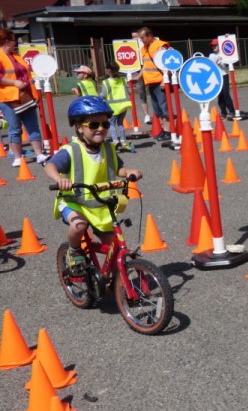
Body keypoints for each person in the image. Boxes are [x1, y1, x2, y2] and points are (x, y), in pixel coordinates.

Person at [44, 96, 142, 272]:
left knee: (113, 247)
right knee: (79, 225)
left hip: (101, 204)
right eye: (94, 125)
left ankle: (115, 279)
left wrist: (128, 172)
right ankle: (73, 251)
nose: (101, 129)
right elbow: (50, 166)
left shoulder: (108, 148)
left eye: (105, 124)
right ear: (79, 127)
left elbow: (118, 168)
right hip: (74, 202)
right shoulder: (71, 150)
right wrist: (60, 179)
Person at [0, 28, 47, 167]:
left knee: (33, 126)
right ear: (6, 41)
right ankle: (17, 157)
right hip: (8, 99)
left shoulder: (17, 56)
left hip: (26, 96)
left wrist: (35, 94)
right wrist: (14, 82)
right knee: (15, 128)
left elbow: (28, 76)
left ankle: (39, 154)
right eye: (13, 40)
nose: (16, 42)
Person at [136, 26, 170, 140]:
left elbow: (167, 63)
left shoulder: (160, 45)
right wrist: (138, 77)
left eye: (142, 38)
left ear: (150, 36)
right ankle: (164, 130)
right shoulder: (144, 48)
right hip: (150, 82)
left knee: (164, 107)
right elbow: (145, 66)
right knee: (157, 108)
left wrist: (164, 80)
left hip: (159, 81)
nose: (141, 40)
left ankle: (168, 132)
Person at [99, 62, 133, 152]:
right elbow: (130, 91)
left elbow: (103, 95)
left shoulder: (106, 82)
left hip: (113, 106)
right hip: (124, 105)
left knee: (111, 124)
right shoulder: (123, 80)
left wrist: (98, 97)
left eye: (106, 69)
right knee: (120, 123)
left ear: (109, 70)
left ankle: (115, 141)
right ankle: (123, 141)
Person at [209, 39, 236, 120]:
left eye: (215, 45)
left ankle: (232, 111)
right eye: (212, 46)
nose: (213, 47)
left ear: (219, 46)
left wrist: (221, 60)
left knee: (226, 93)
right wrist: (217, 60)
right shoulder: (211, 55)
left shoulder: (223, 54)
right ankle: (223, 112)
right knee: (220, 95)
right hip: (216, 77)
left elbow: (225, 64)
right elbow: (211, 64)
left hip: (224, 75)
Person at [131, 30, 151, 124]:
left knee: (153, 91)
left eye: (136, 37)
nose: (134, 39)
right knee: (142, 93)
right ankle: (147, 115)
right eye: (133, 37)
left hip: (148, 70)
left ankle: (158, 114)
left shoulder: (145, 46)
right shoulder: (130, 47)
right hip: (137, 70)